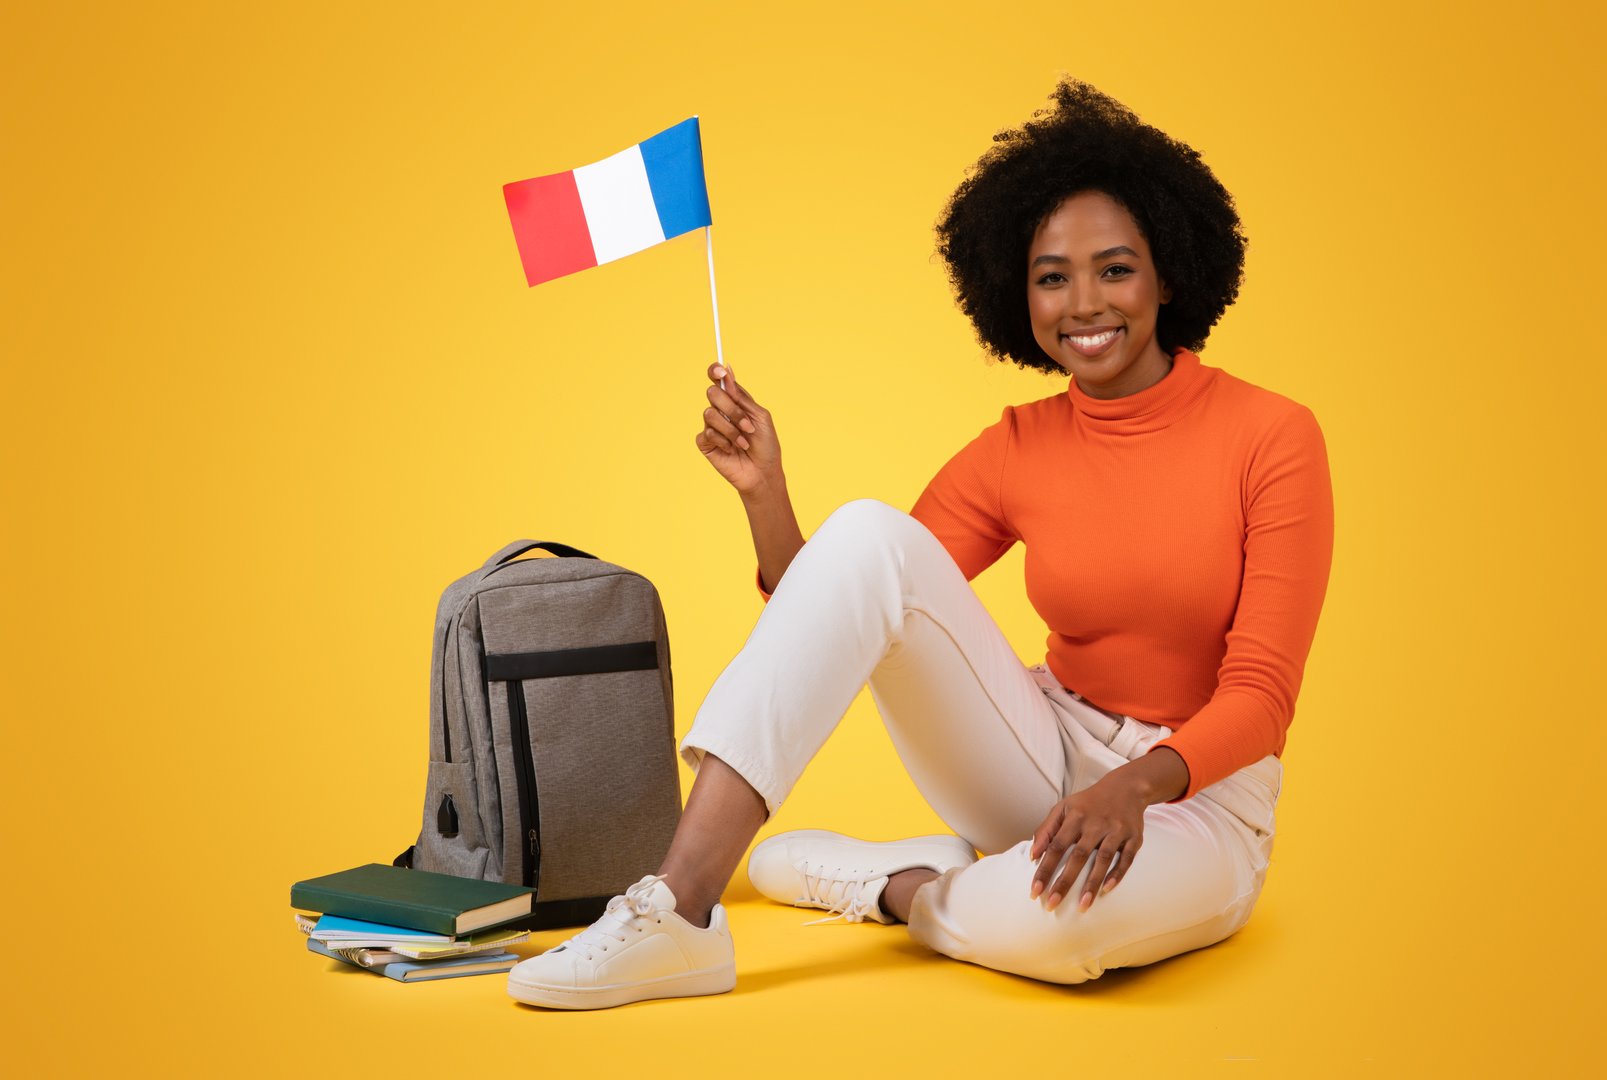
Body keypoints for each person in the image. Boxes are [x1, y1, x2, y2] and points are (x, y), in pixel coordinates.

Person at [507, 79, 1333, 1010]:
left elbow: (1263, 698)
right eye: (1051, 277)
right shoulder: (1017, 445)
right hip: (1043, 756)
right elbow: (842, 604)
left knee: (1057, 933)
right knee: (866, 533)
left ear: (1169, 274)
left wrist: (1135, 790)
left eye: (1115, 268)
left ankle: (892, 886)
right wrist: (766, 496)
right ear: (1016, 295)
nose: (1083, 304)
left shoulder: (1272, 436)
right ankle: (677, 910)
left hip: (1198, 798)